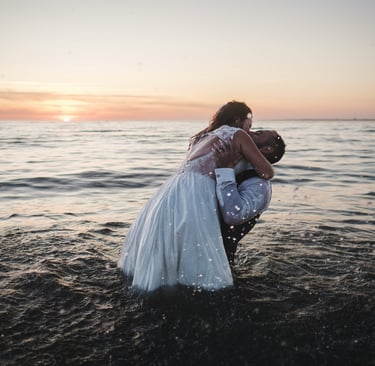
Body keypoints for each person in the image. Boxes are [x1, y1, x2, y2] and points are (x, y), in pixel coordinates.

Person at [118, 101, 275, 292]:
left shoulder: (201, 137)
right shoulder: (238, 134)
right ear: (237, 120)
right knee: (198, 245)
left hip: (173, 188)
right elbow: (267, 172)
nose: (249, 132)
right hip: (199, 189)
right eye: (249, 126)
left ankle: (163, 282)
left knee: (173, 236)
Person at [214, 130, 286, 263]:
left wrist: (225, 170)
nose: (249, 133)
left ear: (267, 149)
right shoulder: (239, 170)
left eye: (258, 133)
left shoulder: (259, 186)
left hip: (220, 259)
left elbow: (233, 215)